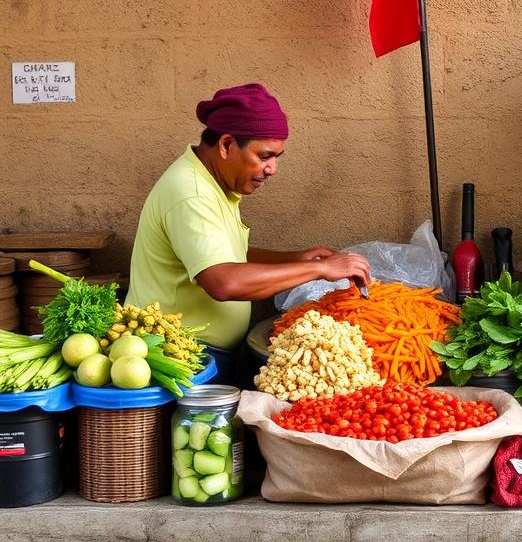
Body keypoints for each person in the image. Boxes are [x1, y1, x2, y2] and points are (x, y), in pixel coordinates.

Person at [127, 82, 371, 383]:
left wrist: (296, 259)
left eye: (276, 158)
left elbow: (228, 256)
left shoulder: (214, 182)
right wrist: (319, 269)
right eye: (265, 156)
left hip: (205, 353)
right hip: (181, 359)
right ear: (227, 144)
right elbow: (223, 281)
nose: (272, 169)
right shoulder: (191, 194)